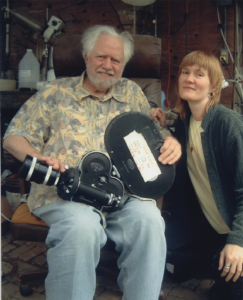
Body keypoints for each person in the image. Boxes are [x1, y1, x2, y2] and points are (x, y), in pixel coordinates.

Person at [3, 25, 181, 300]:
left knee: (150, 222)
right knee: (81, 228)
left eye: (116, 60)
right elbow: (13, 137)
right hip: (66, 192)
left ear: (123, 65)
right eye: (101, 57)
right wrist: (39, 158)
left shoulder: (132, 92)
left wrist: (171, 142)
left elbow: (156, 135)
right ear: (86, 56)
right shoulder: (55, 92)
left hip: (124, 193)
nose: (108, 66)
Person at [152, 50, 243, 300]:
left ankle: (223, 264)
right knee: (164, 255)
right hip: (207, 228)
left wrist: (238, 241)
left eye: (199, 74)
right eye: (185, 72)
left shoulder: (228, 124)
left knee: (231, 287)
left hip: (235, 229)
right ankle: (215, 262)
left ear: (213, 87)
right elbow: (177, 132)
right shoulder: (185, 120)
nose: (189, 79)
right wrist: (161, 122)